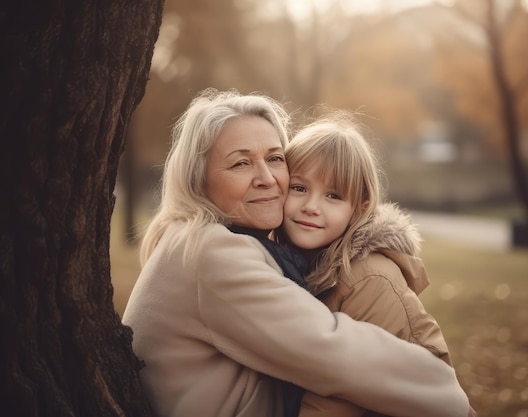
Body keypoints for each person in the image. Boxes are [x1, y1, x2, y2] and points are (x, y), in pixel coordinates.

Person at [121, 88, 471, 417]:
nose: (267, 178)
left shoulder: (192, 240)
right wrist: (445, 388)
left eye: (275, 158)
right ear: (199, 179)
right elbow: (330, 350)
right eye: (240, 164)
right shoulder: (210, 252)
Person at [277, 114, 470, 417]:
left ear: (360, 208)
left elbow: (340, 389)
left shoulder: (368, 278)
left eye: (332, 196)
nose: (311, 207)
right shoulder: (297, 266)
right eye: (299, 188)